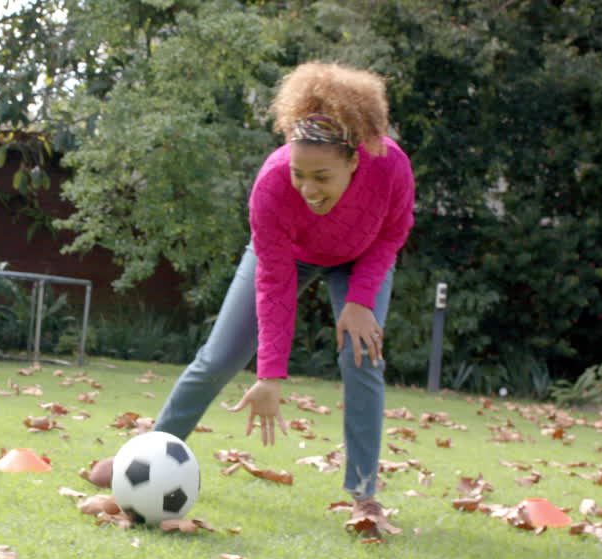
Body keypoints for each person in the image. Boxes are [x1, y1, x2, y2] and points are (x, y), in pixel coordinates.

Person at [123, 63, 416, 524]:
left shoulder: (390, 165)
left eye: (322, 176)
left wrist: (360, 300)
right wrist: (270, 375)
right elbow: (275, 282)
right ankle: (147, 458)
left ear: (354, 160)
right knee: (219, 357)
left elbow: (391, 235)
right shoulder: (273, 184)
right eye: (300, 173)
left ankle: (364, 495)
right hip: (288, 256)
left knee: (363, 360)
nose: (307, 188)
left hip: (361, 259)